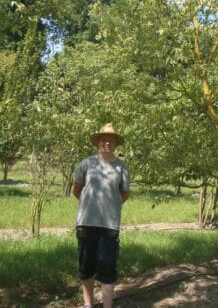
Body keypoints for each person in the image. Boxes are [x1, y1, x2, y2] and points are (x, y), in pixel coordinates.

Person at [72, 123, 130, 308]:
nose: (107, 143)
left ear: (116, 144)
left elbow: (124, 194)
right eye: (104, 139)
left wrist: (109, 206)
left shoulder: (122, 167)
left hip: (109, 225)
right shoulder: (86, 163)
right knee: (86, 265)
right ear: (98, 142)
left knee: (107, 266)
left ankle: (107, 305)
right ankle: (88, 304)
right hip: (86, 222)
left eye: (111, 140)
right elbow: (76, 190)